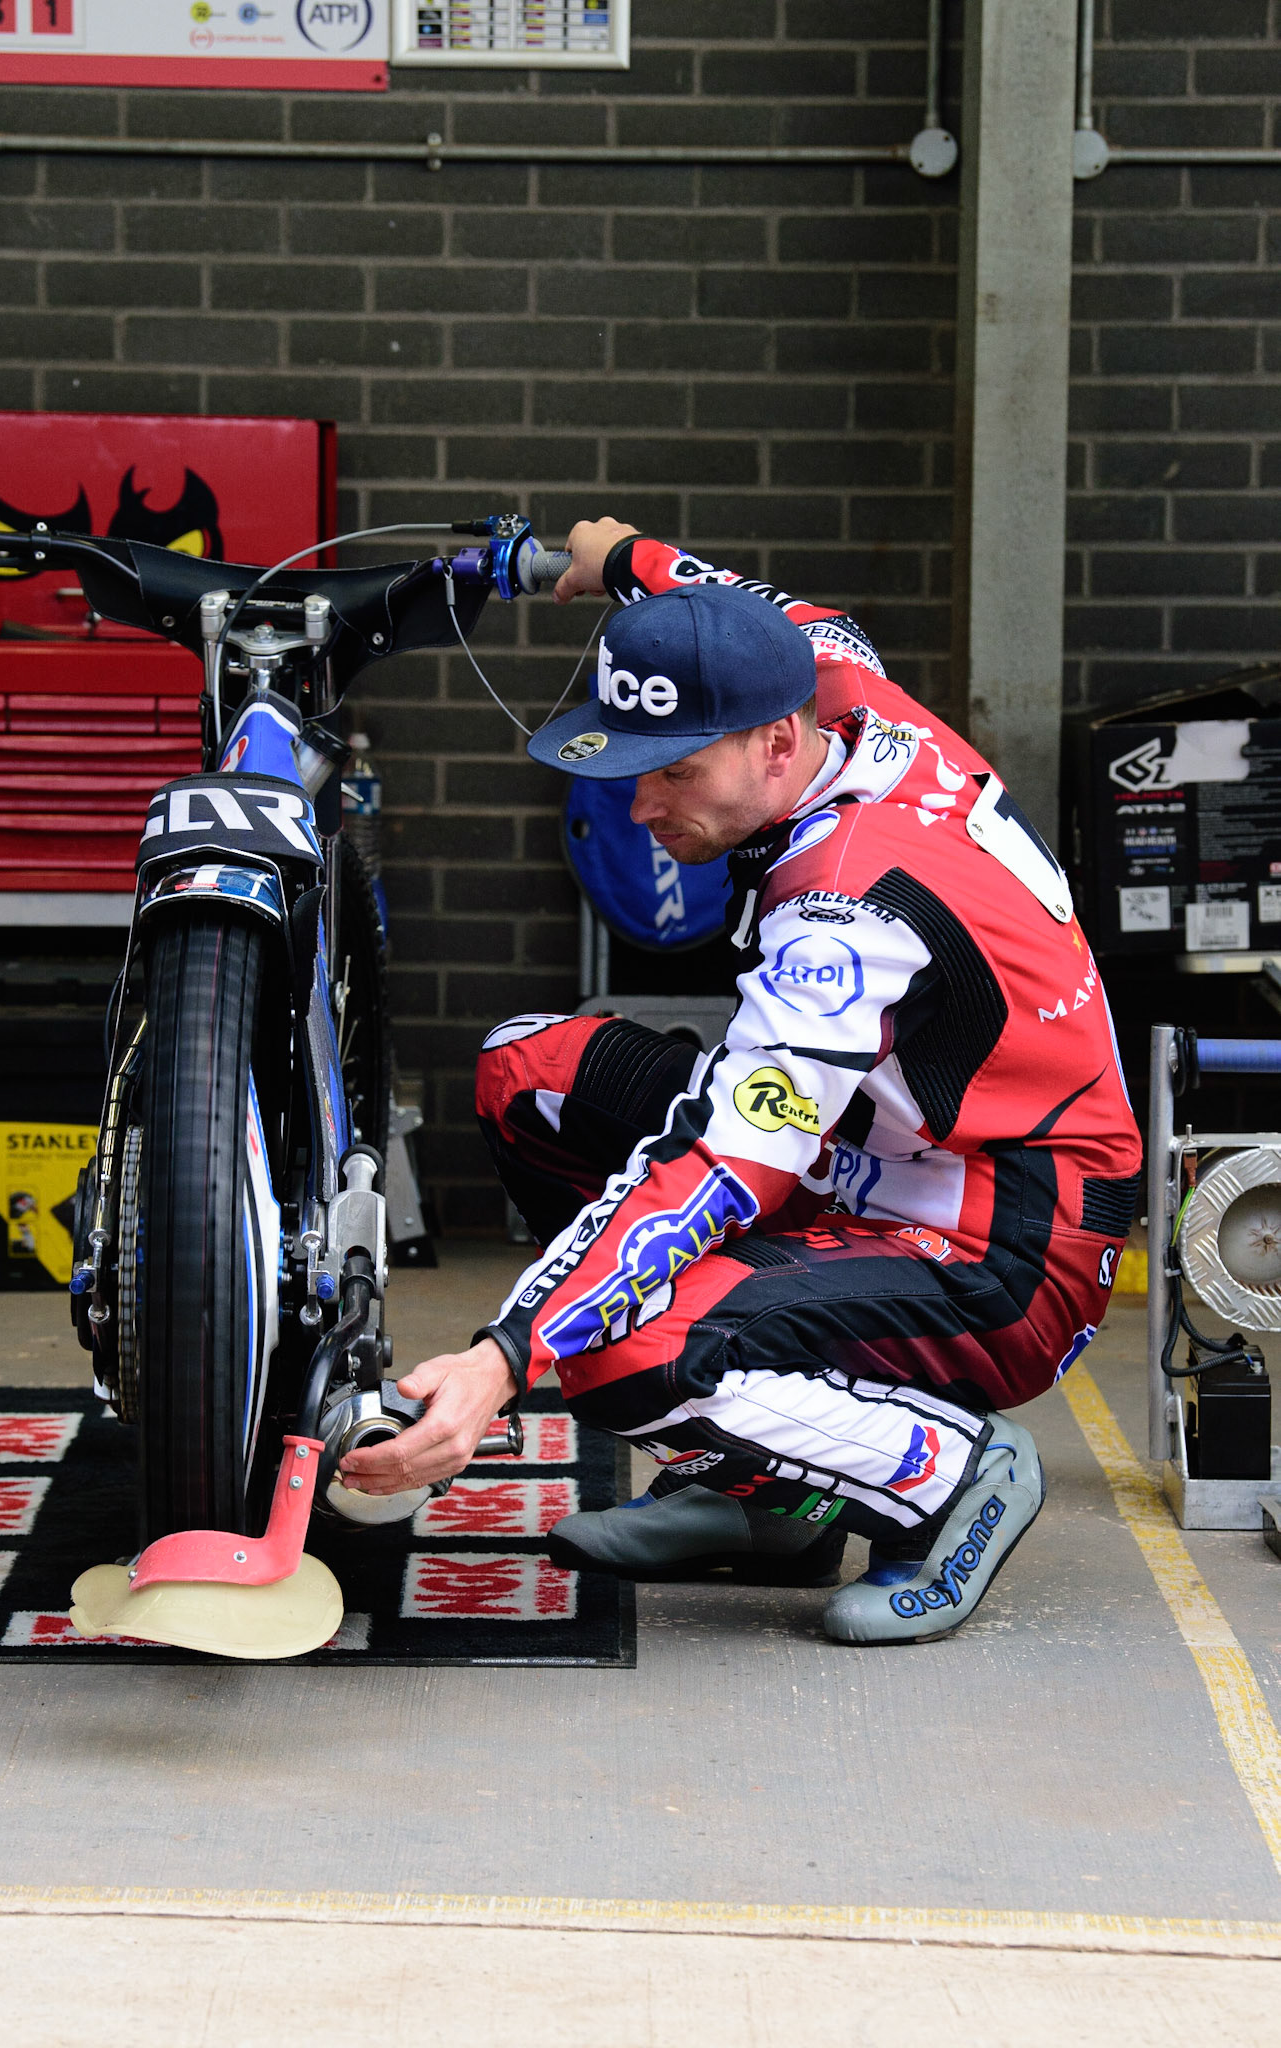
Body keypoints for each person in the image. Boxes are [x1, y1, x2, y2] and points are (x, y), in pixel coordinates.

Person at [340, 519, 1142, 1644]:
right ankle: (774, 1497)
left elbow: (723, 1163)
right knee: (529, 1073)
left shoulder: (843, 914)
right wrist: (610, 552)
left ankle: (953, 1472)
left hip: (1006, 1246)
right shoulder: (826, 674)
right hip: (883, 1149)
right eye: (631, 762)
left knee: (617, 1344)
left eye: (675, 770)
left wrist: (504, 1355)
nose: (640, 804)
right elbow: (721, 589)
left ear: (774, 744)